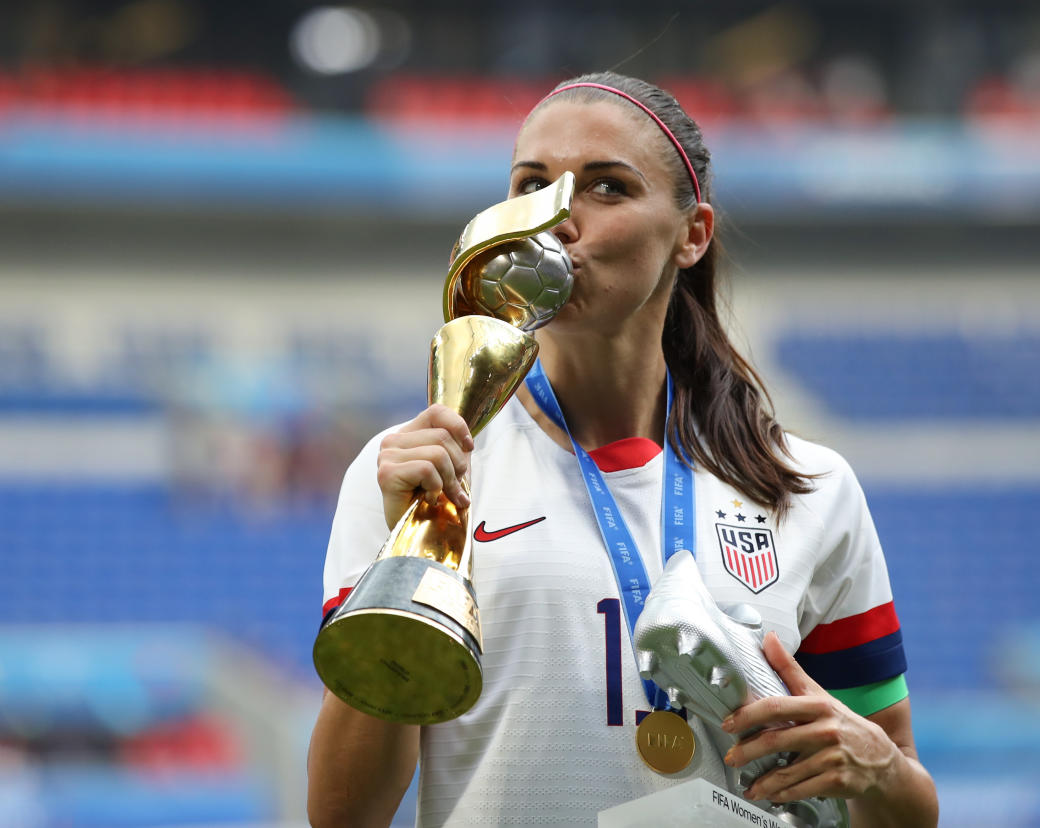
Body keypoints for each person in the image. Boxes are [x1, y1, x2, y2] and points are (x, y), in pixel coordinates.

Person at [307, 71, 938, 828]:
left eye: (606, 188)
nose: (557, 217)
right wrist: (404, 562)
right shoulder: (418, 472)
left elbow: (903, 801)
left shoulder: (809, 487)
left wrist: (871, 765)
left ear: (691, 234)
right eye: (532, 183)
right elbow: (341, 815)